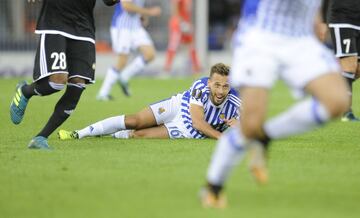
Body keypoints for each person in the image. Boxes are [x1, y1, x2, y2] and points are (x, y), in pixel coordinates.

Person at [200, 0, 350, 209]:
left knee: (337, 100)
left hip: (300, 37)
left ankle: (265, 137)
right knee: (250, 126)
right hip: (261, 34)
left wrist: (316, 20)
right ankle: (213, 186)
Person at [9, 0, 119, 149]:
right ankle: (25, 91)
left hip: (83, 29)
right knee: (57, 82)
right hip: (55, 22)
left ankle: (41, 138)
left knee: (78, 84)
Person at [58, 63, 241, 140]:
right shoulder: (200, 86)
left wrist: (239, 126)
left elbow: (248, 126)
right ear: (210, 83)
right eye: (217, 85)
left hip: (189, 132)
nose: (220, 91)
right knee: (135, 121)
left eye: (225, 86)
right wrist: (223, 138)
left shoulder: (236, 101)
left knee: (139, 135)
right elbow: (198, 121)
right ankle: (79, 133)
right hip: (179, 107)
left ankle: (110, 135)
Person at [97, 0, 161, 100]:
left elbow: (136, 6)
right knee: (122, 61)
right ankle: (103, 93)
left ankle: (124, 76)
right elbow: (126, 5)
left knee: (150, 54)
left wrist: (142, 16)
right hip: (122, 27)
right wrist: (149, 12)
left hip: (135, 27)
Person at [328, 0, 360, 121]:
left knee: (357, 70)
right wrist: (322, 21)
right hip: (344, 18)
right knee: (349, 66)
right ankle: (346, 112)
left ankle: (329, 88)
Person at [164, 0, 201, 74]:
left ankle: (196, 68)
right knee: (173, 46)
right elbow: (174, 7)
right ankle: (167, 69)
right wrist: (180, 22)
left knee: (191, 46)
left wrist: (187, 23)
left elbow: (187, 12)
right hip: (177, 25)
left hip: (185, 23)